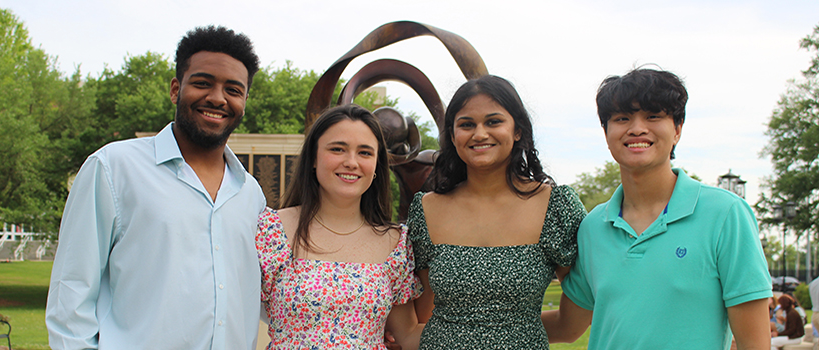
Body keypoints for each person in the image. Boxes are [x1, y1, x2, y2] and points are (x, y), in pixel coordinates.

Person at [45, 26, 265, 349]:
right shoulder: (113, 169)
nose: (217, 98)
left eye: (233, 89)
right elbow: (71, 294)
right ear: (176, 89)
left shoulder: (251, 194)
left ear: (244, 100)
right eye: (203, 83)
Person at [542, 67, 773, 349]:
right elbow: (568, 327)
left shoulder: (726, 214)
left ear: (677, 129)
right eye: (622, 118)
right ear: (606, 133)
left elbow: (755, 343)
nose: (637, 128)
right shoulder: (592, 227)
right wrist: (484, 326)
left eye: (653, 116)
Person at [406, 75, 587, 348]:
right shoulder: (425, 209)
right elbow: (422, 316)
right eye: (466, 124)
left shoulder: (556, 207)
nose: (480, 134)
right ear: (453, 136)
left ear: (517, 130)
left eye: (493, 122)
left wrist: (511, 334)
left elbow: (572, 323)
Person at [256, 104, 423, 349]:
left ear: (377, 165)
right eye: (338, 149)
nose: (351, 162)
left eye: (365, 153)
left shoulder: (395, 243)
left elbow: (407, 334)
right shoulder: (271, 231)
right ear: (313, 157)